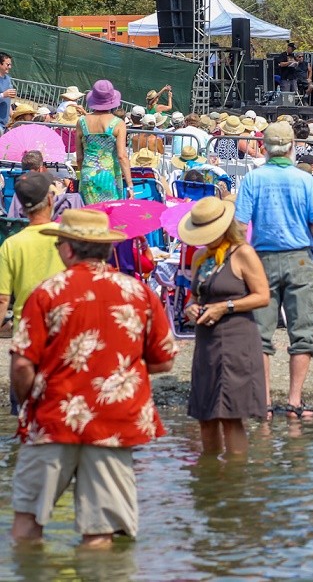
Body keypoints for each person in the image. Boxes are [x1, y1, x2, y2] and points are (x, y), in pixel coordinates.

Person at [9, 209, 177, 546]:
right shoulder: (138, 293)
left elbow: (23, 365)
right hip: (114, 422)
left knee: (27, 523)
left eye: (59, 245)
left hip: (54, 417)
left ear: (69, 249)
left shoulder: (46, 293)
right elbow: (163, 360)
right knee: (100, 533)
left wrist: (28, 401)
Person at [234, 122, 313, 420]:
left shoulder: (253, 179)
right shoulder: (305, 180)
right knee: (302, 332)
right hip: (299, 257)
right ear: (291, 147)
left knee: (261, 333)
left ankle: (263, 403)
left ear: (264, 147)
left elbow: (239, 226)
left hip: (261, 258)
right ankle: (294, 402)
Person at [179, 197, 270, 457]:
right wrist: (190, 308)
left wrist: (224, 307)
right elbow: (194, 297)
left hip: (237, 340)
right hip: (206, 342)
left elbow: (262, 296)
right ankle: (210, 480)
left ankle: (234, 482)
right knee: (205, 414)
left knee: (230, 415)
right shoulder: (200, 257)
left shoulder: (243, 253)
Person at [0, 173, 65, 338]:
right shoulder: (68, 237)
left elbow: (3, 299)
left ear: (22, 207)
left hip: (26, 330)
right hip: (63, 326)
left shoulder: (11, 244)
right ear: (50, 201)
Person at [76, 80, 133, 204]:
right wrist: (130, 185)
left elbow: (79, 157)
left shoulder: (81, 122)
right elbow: (122, 156)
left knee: (90, 215)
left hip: (88, 175)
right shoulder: (118, 123)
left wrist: (85, 173)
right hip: (110, 176)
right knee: (111, 215)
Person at [0, 52, 15, 129]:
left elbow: (7, 101)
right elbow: (4, 96)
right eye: (7, 64)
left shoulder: (8, 79)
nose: (10, 67)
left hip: (4, 124)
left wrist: (13, 115)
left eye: (10, 65)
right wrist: (3, 95)